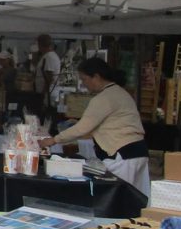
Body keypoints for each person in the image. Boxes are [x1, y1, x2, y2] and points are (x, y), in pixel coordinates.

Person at [40, 57, 150, 196]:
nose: (83, 84)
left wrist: (53, 140)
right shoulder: (120, 92)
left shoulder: (104, 97)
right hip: (137, 152)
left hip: (122, 154)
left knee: (118, 196)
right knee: (136, 198)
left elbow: (82, 128)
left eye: (84, 79)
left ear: (96, 77)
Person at [35, 34, 62, 109]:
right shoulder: (47, 56)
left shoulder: (49, 57)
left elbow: (49, 78)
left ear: (40, 44)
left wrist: (43, 94)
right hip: (47, 93)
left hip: (48, 94)